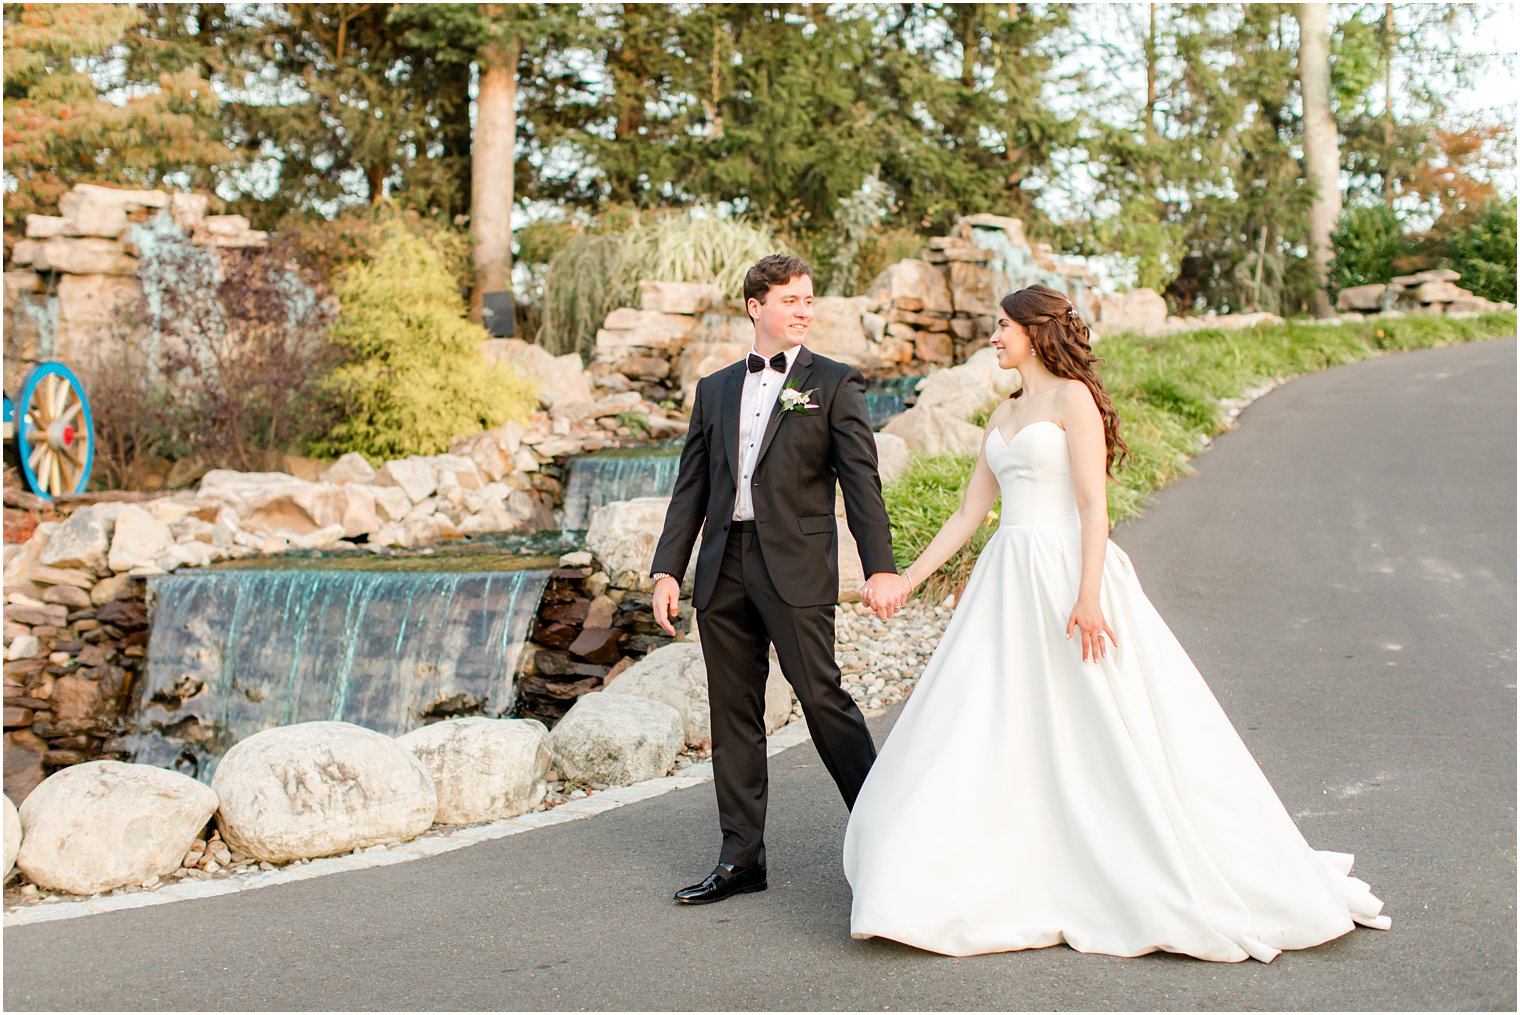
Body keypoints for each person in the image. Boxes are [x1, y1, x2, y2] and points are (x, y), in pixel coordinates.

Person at [843, 283, 1390, 962]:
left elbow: (1093, 506)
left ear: (1036, 331)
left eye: (1002, 326)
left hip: (1069, 572)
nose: (993, 336)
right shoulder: (1002, 412)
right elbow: (966, 515)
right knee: (992, 717)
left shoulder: (1073, 400)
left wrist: (1089, 594)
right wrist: (906, 579)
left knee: (1098, 718)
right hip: (1007, 580)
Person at [649, 254, 910, 905]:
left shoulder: (835, 382)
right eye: (790, 299)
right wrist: (667, 568)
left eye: (808, 299)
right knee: (734, 714)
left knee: (823, 698)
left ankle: (888, 834)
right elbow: (690, 488)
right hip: (723, 568)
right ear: (754, 306)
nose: (803, 310)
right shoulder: (713, 390)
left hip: (794, 566)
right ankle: (741, 858)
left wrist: (879, 564)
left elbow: (861, 483)